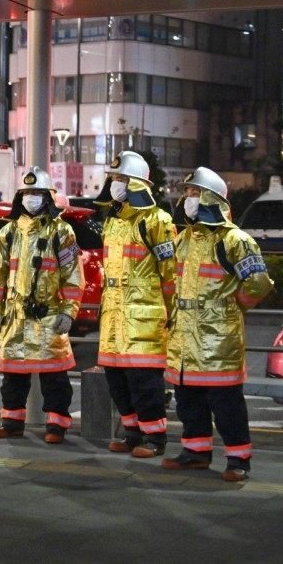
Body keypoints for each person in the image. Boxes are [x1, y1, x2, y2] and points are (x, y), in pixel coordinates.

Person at [162, 167, 273, 481]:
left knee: (226, 404)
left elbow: (259, 284)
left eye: (194, 193)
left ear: (210, 197)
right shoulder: (185, 238)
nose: (188, 199)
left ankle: (239, 460)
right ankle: (195, 453)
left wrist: (233, 307)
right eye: (187, 193)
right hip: (185, 339)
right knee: (189, 401)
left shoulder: (235, 240)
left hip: (217, 339)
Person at [0, 166, 83, 444]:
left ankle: (57, 426)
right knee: (13, 376)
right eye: (26, 193)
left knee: (55, 376)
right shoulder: (8, 232)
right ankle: (12, 423)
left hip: (49, 314)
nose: (31, 198)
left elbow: (73, 275)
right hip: (14, 316)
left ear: (48, 197)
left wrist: (68, 311)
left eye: (36, 193)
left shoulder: (62, 231)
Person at [94, 151, 177, 457]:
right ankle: (132, 434)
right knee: (117, 380)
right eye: (113, 179)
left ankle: (155, 438)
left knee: (144, 381)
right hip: (114, 313)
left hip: (144, 311)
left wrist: (172, 312)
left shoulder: (158, 220)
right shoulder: (113, 220)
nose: (115, 184)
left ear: (137, 184)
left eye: (120, 179)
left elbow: (170, 272)